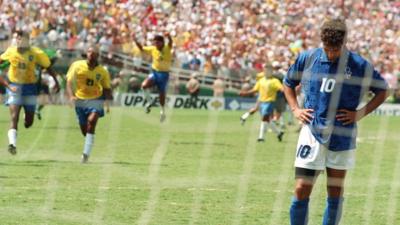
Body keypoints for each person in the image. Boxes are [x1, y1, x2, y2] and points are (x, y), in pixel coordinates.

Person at [283, 19, 388, 225]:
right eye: (327, 49)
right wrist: (295, 109)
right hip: (311, 133)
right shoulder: (308, 58)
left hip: (342, 135)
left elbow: (382, 90)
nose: (331, 54)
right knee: (301, 189)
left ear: (344, 43)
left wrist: (359, 114)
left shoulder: (359, 65)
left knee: (335, 191)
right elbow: (288, 83)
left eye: (335, 50)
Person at [0, 31, 59, 155]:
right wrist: (6, 85)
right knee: (14, 116)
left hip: (30, 88)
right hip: (14, 87)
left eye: (22, 39)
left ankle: (27, 117)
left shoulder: (36, 53)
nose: (19, 41)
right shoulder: (11, 51)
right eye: (18, 39)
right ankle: (12, 144)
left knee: (28, 123)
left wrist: (56, 82)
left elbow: (48, 67)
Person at [66, 46, 112, 163]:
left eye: (94, 52)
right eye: (89, 51)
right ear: (86, 53)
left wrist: (107, 101)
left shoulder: (103, 71)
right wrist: (71, 96)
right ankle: (89, 142)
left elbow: (106, 88)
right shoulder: (77, 65)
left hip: (96, 99)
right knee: (85, 130)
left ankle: (85, 155)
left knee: (91, 121)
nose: (91, 53)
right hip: (80, 100)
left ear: (98, 56)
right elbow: (69, 82)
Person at [240, 64, 284, 142]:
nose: (266, 72)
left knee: (264, 118)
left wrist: (286, 91)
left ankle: (261, 137)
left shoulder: (274, 81)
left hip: (270, 102)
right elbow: (255, 90)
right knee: (267, 120)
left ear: (271, 71)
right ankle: (279, 133)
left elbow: (281, 88)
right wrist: (245, 93)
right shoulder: (261, 80)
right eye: (265, 70)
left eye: (268, 70)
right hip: (261, 102)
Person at [134, 33, 173, 123]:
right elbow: (141, 48)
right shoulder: (153, 48)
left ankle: (162, 112)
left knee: (161, 93)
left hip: (164, 74)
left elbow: (171, 42)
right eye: (154, 43)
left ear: (162, 42)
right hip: (155, 72)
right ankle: (150, 102)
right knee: (144, 85)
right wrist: (135, 41)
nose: (155, 45)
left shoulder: (167, 48)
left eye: (157, 43)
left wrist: (169, 37)